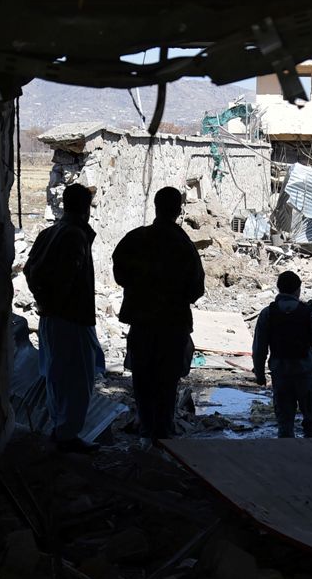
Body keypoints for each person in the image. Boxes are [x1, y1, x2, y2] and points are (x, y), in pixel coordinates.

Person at [113, 187, 205, 445]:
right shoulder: (183, 245)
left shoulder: (135, 239)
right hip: (173, 326)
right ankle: (163, 436)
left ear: (155, 206)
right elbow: (196, 288)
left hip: (142, 323)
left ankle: (145, 432)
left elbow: (120, 275)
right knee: (167, 382)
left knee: (142, 380)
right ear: (178, 210)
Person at [24, 183, 102, 453]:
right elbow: (67, 278)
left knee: (58, 376)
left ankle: (61, 430)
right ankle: (67, 435)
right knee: (78, 379)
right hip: (71, 319)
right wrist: (60, 302)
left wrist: (44, 301)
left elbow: (28, 269)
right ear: (84, 208)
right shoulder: (74, 237)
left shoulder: (49, 232)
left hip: (52, 317)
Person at [252, 271, 312, 438]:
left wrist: (260, 374)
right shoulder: (307, 312)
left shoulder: (268, 313)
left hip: (281, 374)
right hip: (306, 373)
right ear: (298, 290)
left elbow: (259, 348)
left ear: (279, 289)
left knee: (285, 424)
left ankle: (287, 461)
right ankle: (311, 460)